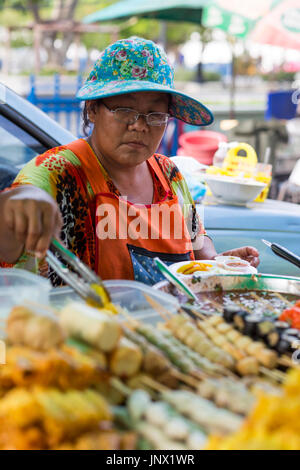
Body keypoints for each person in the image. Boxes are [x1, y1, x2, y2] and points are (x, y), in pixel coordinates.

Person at [0, 37, 259, 285]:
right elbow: (14, 222)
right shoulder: (57, 172)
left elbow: (196, 241)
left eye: (155, 114)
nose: (139, 126)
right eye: (125, 110)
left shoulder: (169, 174)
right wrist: (20, 203)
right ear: (92, 109)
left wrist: (217, 263)